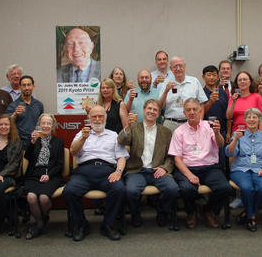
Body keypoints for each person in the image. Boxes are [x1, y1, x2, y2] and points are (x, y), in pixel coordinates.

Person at [63, 105, 128, 241]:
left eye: (100, 116)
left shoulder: (113, 135)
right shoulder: (82, 133)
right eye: (94, 116)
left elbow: (121, 157)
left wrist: (118, 171)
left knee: (119, 189)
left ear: (105, 118)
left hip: (107, 171)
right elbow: (73, 152)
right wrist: (83, 138)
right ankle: (81, 225)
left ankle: (108, 225)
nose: (97, 119)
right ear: (89, 118)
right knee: (69, 191)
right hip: (84, 172)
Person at [169, 98, 231, 229]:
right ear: (184, 113)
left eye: (194, 109)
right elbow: (177, 159)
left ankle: (208, 210)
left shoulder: (210, 126)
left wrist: (217, 132)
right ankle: (192, 212)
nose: (192, 112)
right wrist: (189, 175)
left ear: (200, 111)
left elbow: (220, 144)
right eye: (188, 110)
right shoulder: (179, 131)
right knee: (186, 189)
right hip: (188, 168)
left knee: (224, 188)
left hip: (209, 167)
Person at [118, 99, 178, 228]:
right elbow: (121, 141)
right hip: (137, 171)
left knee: (172, 189)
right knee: (130, 191)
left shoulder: (166, 132)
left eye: (155, 110)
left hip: (157, 170)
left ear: (159, 114)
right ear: (144, 111)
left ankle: (162, 211)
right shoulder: (134, 128)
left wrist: (165, 168)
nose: (152, 111)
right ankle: (135, 213)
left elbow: (171, 156)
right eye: (149, 109)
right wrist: (127, 126)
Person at [225, 108, 262, 232]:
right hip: (241, 169)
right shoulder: (238, 134)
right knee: (246, 188)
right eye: (249, 117)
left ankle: (248, 213)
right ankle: (252, 216)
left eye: (254, 117)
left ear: (259, 120)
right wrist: (235, 139)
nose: (251, 120)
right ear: (245, 120)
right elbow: (230, 153)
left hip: (260, 169)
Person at [24, 113, 64, 240]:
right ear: (39, 125)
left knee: (43, 199)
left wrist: (48, 175)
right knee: (31, 197)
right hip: (34, 175)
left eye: (48, 123)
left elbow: (60, 164)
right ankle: (40, 223)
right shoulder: (34, 140)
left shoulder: (59, 142)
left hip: (52, 175)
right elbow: (27, 158)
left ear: (52, 126)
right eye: (43, 123)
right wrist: (31, 143)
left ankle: (42, 220)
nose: (46, 126)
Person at [158, 56, 208, 132]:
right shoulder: (165, 83)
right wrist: (166, 91)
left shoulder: (194, 81)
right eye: (175, 67)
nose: (178, 69)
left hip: (190, 123)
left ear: (184, 66)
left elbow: (201, 104)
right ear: (171, 69)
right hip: (170, 124)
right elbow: (160, 106)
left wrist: (199, 123)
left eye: (180, 66)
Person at [202, 65, 229, 168]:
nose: (212, 77)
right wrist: (211, 101)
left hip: (221, 131)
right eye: (209, 75)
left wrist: (228, 132)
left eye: (214, 75)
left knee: (222, 160)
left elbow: (227, 115)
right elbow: (200, 113)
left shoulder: (222, 93)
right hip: (205, 132)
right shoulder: (200, 92)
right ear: (203, 77)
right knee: (207, 160)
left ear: (218, 77)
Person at [6, 75, 44, 149]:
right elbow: (8, 124)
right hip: (19, 143)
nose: (26, 88)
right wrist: (15, 114)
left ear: (33, 86)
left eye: (29, 85)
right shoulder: (13, 105)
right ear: (20, 87)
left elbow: (41, 124)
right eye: (24, 85)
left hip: (35, 142)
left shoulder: (39, 105)